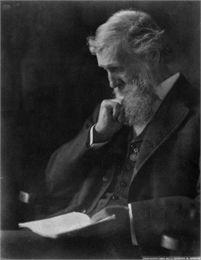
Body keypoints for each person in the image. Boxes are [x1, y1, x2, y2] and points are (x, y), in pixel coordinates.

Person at [44, 9, 200, 257]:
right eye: (105, 70)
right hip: (72, 241)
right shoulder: (109, 110)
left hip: (138, 250)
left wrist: (131, 218)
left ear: (152, 55)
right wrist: (98, 135)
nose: (111, 82)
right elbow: (54, 182)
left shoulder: (196, 113)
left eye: (116, 68)